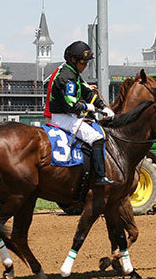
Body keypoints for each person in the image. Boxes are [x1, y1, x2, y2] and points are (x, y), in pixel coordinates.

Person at [44, 41, 116, 194]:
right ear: (73, 60)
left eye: (86, 63)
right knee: (96, 138)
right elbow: (71, 105)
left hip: (66, 115)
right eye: (83, 63)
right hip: (61, 117)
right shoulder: (67, 77)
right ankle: (100, 176)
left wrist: (103, 107)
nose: (85, 66)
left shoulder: (73, 72)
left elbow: (88, 92)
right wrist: (88, 107)